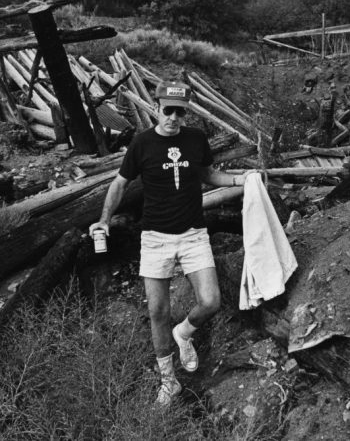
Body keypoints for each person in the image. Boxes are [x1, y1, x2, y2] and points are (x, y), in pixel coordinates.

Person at [89, 81, 250, 406]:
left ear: (185, 112)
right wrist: (104, 219)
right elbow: (120, 184)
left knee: (210, 301)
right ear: (156, 108)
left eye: (180, 112)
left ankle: (184, 333)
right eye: (168, 110)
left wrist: (240, 179)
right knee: (157, 310)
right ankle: (169, 380)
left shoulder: (195, 139)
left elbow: (208, 174)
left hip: (193, 234)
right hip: (155, 238)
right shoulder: (142, 143)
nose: (173, 117)